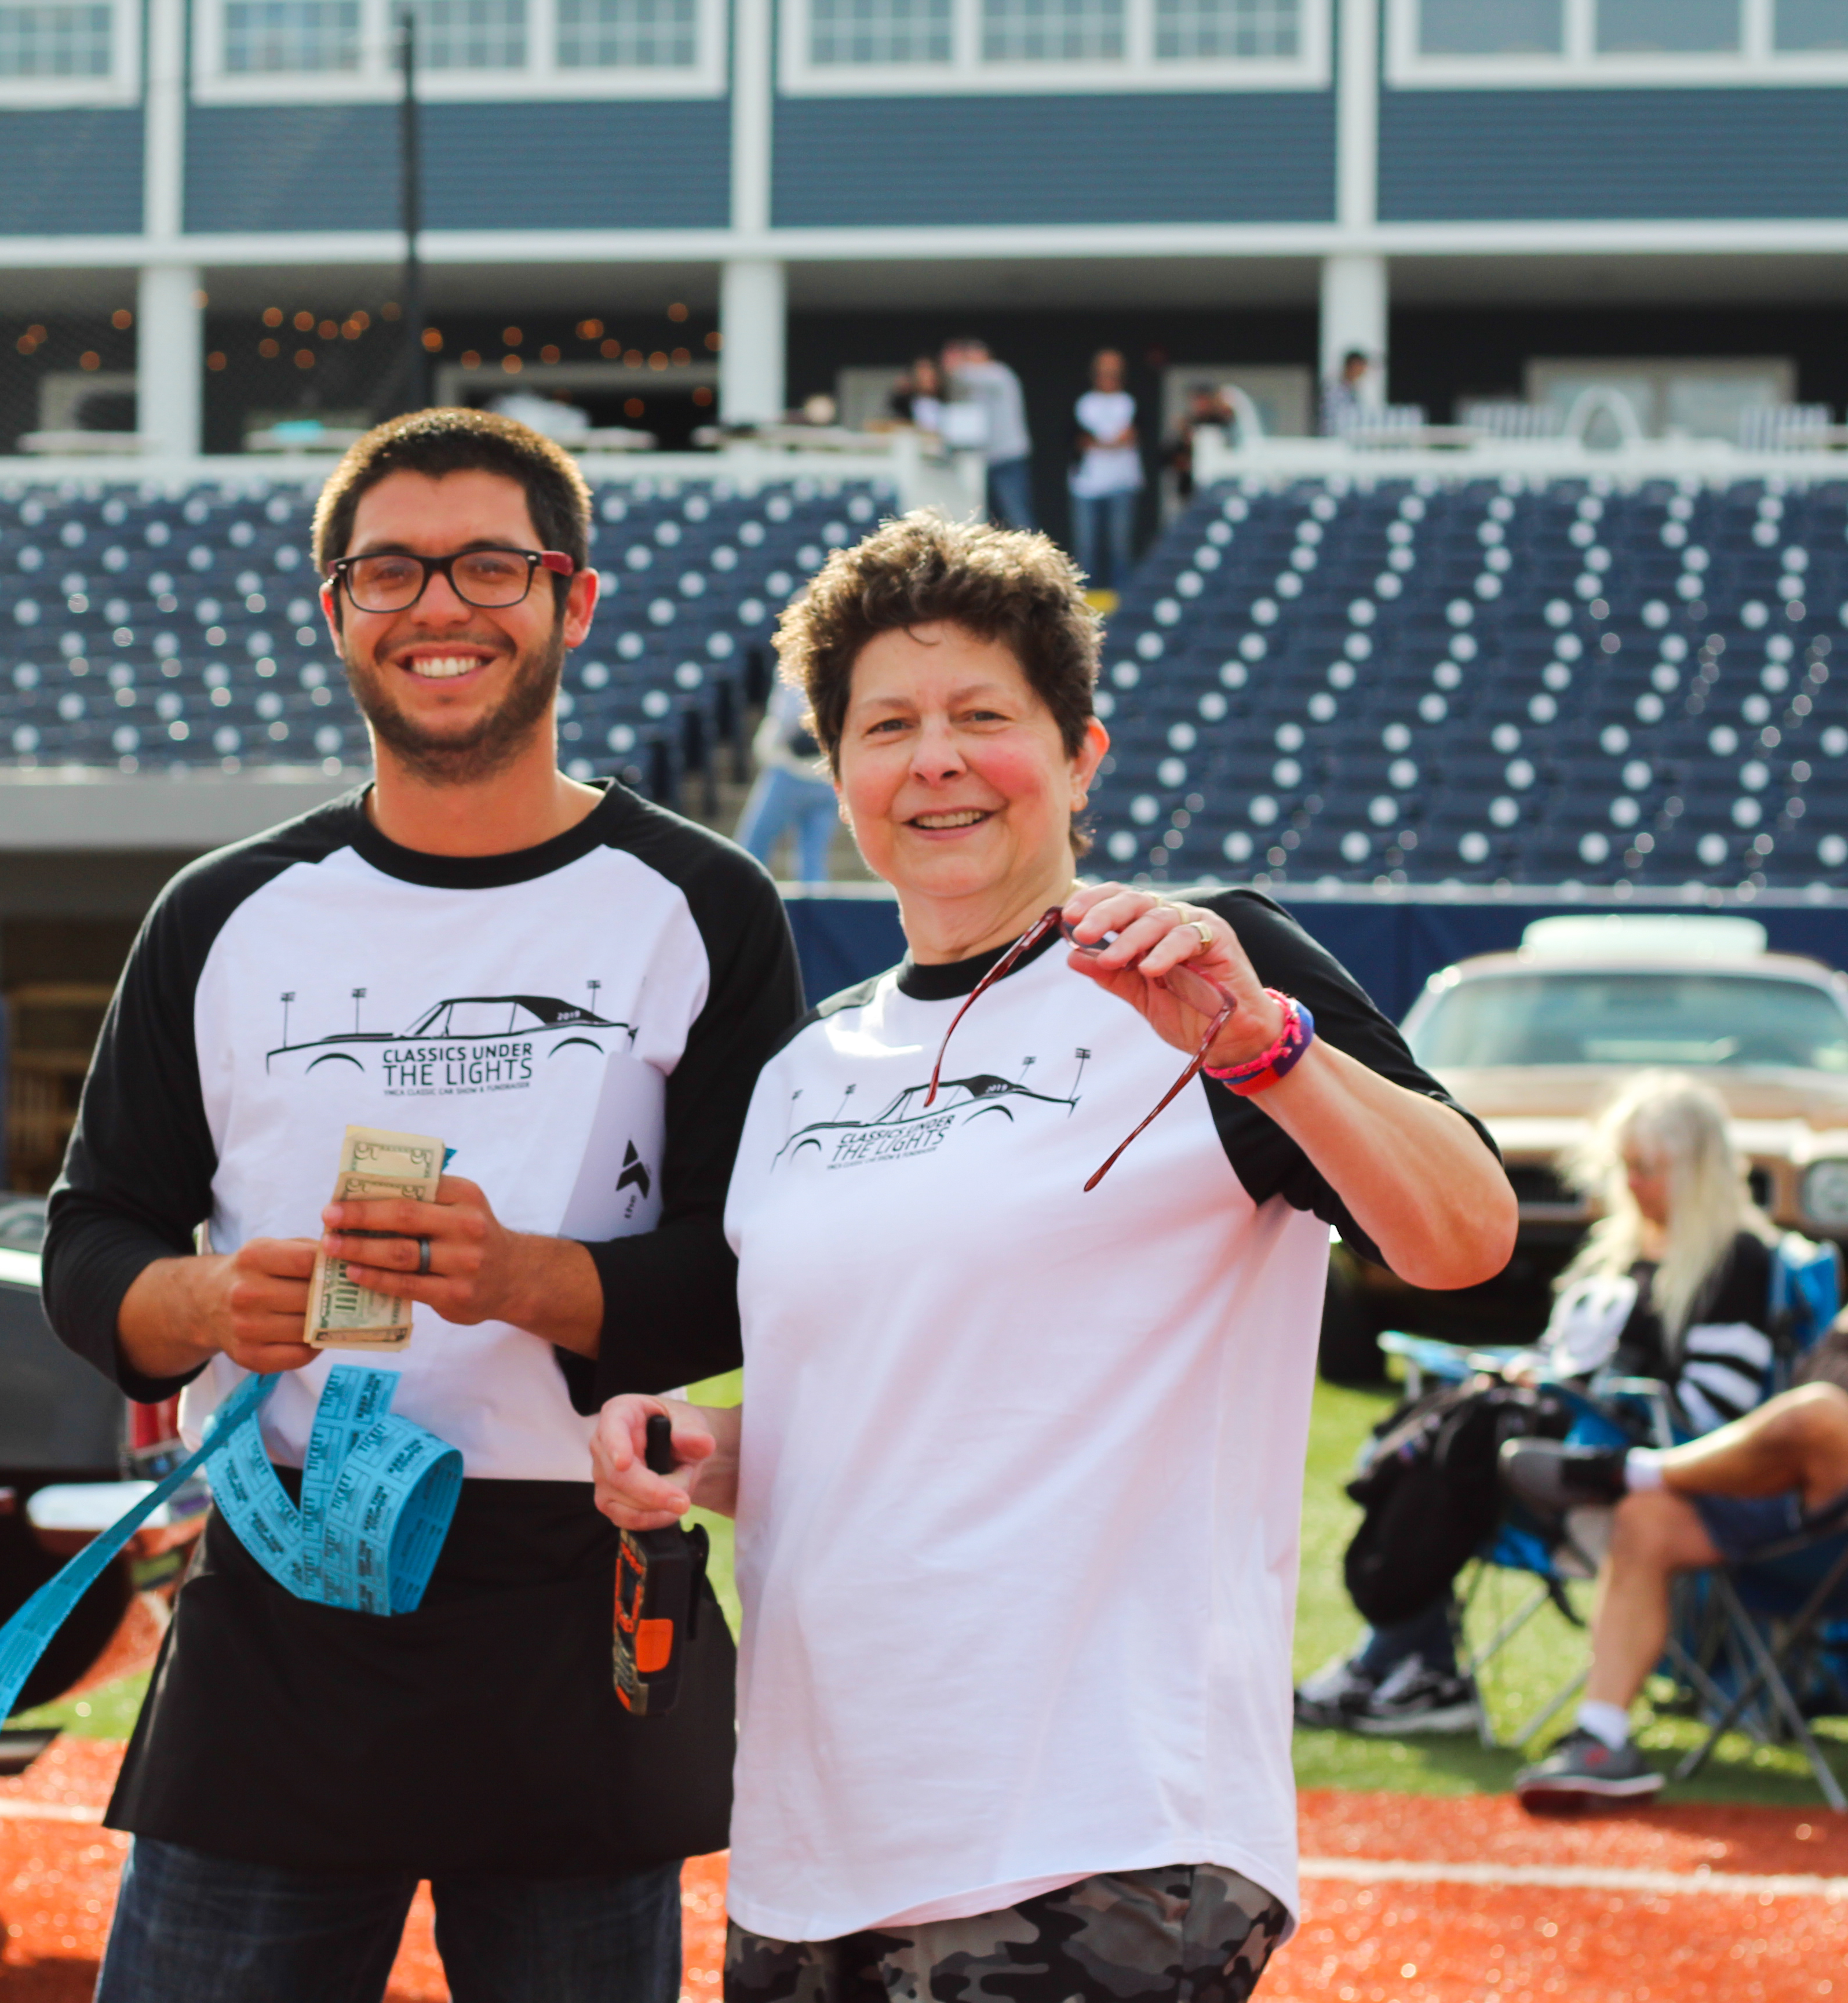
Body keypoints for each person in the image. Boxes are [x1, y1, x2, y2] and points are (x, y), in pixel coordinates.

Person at [589, 510, 1515, 2000]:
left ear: (1081, 753)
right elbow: (896, 1418)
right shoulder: (802, 1074)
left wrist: (1262, 1049)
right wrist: (707, 1450)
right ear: (838, 773)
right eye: (885, 724)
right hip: (814, 1840)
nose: (933, 758)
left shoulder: (1203, 964)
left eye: (981, 717)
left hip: (1099, 1829)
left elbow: (1465, 1235)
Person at [43, 406, 805, 2002]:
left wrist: (534, 1282)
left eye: (489, 565)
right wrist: (201, 1305)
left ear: (571, 599)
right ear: (335, 609)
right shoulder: (224, 915)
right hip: (287, 1586)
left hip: (570, 1579)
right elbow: (92, 1237)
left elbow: (753, 1275)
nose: (439, 606)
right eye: (388, 570)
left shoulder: (702, 903)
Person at [1503, 1093, 1848, 1807]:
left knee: (1823, 1419)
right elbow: (1825, 1361)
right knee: (1647, 1518)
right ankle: (1601, 1741)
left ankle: (1630, 1466)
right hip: (1834, 1507)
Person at [1298, 1072, 1786, 1737]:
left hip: (1630, 1463)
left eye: (1649, 1168)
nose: (1633, 1184)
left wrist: (1578, 1393)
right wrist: (1537, 1374)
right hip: (1554, 1441)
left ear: (1698, 1169)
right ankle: (1409, 1660)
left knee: (1466, 1440)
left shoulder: (1737, 1260)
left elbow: (1712, 1409)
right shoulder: (1613, 1254)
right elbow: (1564, 1353)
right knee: (1449, 1426)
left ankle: (1404, 1662)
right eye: (1626, 1167)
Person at [734, 676, 839, 888]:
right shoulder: (845, 665)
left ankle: (736, 912)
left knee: (750, 852)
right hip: (828, 775)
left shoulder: (799, 667)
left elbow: (787, 719)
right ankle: (813, 920)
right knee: (813, 864)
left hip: (790, 772)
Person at [1067, 347, 1142, 593]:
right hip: (1087, 484)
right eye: (1103, 373)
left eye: (1114, 373)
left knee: (1120, 545)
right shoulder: (1082, 402)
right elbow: (1076, 438)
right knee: (1086, 546)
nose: (1108, 378)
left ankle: (1123, 598)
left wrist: (1105, 441)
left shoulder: (1131, 402)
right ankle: (1084, 598)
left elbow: (1133, 436)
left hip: (1122, 482)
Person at [943, 336, 1033, 533]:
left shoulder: (999, 374)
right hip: (986, 461)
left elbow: (963, 374)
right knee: (990, 520)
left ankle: (1037, 559)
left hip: (1008, 459)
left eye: (972, 355)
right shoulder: (975, 386)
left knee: (1017, 516)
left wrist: (955, 363)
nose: (969, 361)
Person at [1322, 348, 1375, 439]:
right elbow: (1331, 420)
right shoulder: (1335, 391)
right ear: (1352, 366)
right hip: (1333, 441)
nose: (1363, 370)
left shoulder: (1353, 391)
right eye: (1361, 366)